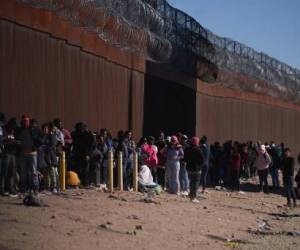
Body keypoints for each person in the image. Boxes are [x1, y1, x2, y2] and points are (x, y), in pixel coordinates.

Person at [17, 115, 42, 193]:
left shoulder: (34, 129)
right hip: (23, 153)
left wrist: (35, 146)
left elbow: (41, 139)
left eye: (26, 121)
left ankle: (35, 188)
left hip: (32, 153)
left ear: (29, 121)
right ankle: (23, 188)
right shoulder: (20, 130)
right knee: (23, 172)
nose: (25, 122)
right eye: (24, 121)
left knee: (33, 172)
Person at [184, 137, 204, 203]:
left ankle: (191, 196)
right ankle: (193, 197)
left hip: (189, 168)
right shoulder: (198, 150)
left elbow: (185, 159)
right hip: (196, 169)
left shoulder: (187, 149)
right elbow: (202, 160)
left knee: (191, 182)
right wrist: (200, 166)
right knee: (195, 183)